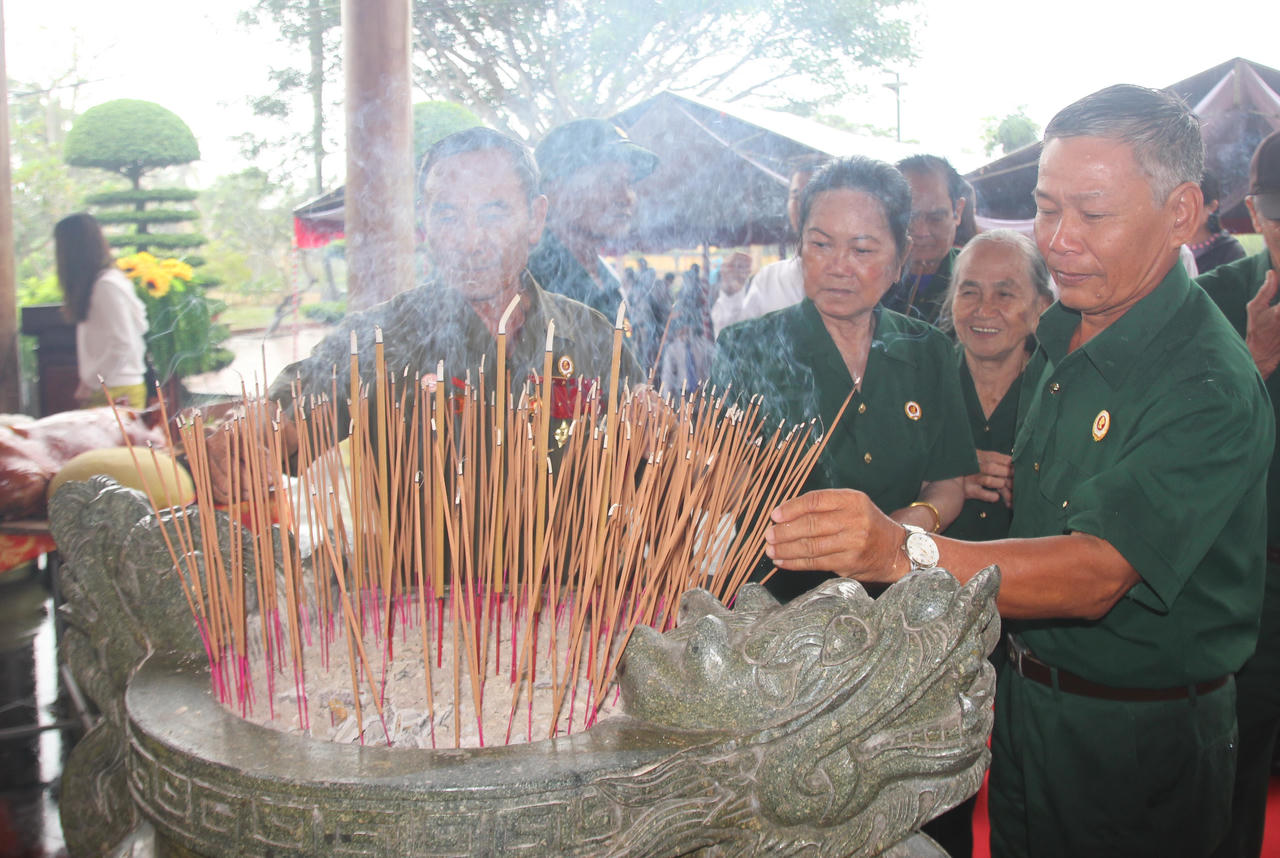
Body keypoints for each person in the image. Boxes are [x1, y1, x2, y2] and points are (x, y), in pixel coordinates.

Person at [762, 85, 1274, 858]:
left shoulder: (1203, 379)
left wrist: (898, 549)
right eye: (1045, 208)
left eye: (1092, 214)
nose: (1059, 240)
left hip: (1136, 735)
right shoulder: (1066, 326)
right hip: (1028, 706)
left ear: (1181, 214)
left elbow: (1097, 568)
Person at [207, 128, 643, 502]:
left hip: (568, 596)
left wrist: (657, 430)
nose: (470, 242)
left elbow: (657, 467)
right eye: (447, 214)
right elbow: (291, 412)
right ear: (425, 223)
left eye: (494, 213)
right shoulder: (382, 337)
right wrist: (247, 435)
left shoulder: (593, 337)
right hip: (421, 596)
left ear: (535, 219)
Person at [711, 156, 977, 605]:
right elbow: (722, 480)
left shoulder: (927, 350)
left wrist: (906, 528)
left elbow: (950, 482)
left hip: (897, 603)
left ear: (900, 258)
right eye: (820, 244)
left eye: (863, 250)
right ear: (799, 247)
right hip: (777, 606)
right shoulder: (746, 346)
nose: (838, 266)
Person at [921, 229, 1053, 858]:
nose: (984, 309)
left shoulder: (1065, 386)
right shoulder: (921, 376)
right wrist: (951, 472)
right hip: (933, 617)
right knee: (937, 784)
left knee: (1034, 791)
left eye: (1007, 292)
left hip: (1038, 623)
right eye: (969, 291)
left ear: (1042, 306)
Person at [1197, 129, 1280, 858]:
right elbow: (1171, 446)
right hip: (1243, 577)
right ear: (1254, 210)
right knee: (1235, 767)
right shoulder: (1214, 300)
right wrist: (1252, 361)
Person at [528, 118, 659, 359]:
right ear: (555, 191)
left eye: (628, 183)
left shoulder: (606, 278)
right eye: (608, 180)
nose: (626, 197)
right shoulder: (530, 280)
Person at [711, 157, 826, 333]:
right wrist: (731, 295)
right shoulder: (770, 280)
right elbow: (735, 347)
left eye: (812, 195)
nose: (802, 205)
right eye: (795, 196)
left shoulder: (857, 276)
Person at [53, 212, 148, 409]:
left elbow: (123, 343)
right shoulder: (103, 283)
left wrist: (93, 382)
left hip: (117, 389)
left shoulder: (106, 286)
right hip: (113, 386)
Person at [880, 154, 969, 326]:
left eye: (935, 218)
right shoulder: (867, 275)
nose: (921, 232)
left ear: (958, 211)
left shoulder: (977, 275)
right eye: (909, 218)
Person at [1191, 170, 1247, 275]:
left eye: (1191, 206)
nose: (1181, 213)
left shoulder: (1230, 252)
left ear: (1212, 207)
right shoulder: (1167, 249)